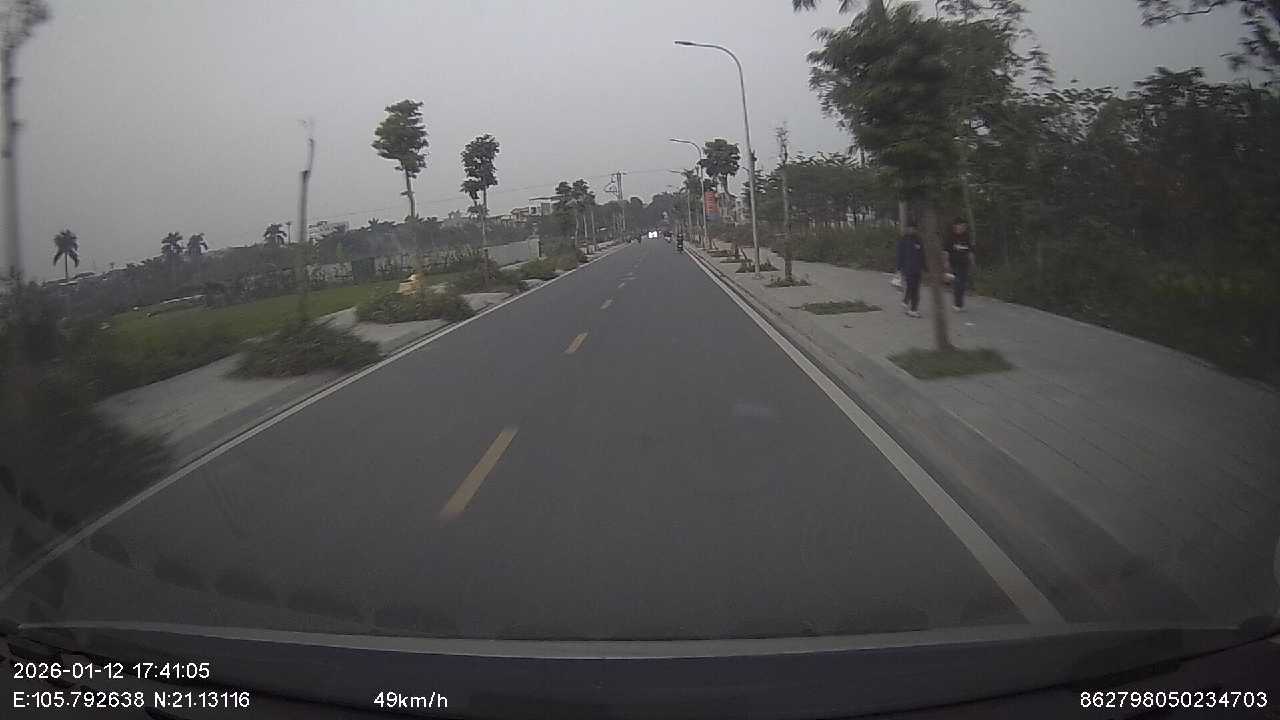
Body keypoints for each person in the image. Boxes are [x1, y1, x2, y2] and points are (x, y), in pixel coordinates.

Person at [944, 217, 974, 311]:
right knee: (958, 282)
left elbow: (970, 250)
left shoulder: (967, 236)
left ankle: (959, 303)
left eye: (964, 226)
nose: (962, 228)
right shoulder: (950, 237)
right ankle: (957, 304)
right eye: (961, 226)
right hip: (954, 263)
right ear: (956, 226)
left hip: (964, 263)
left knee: (962, 284)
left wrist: (972, 261)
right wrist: (946, 262)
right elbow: (946, 251)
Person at [902, 224, 926, 318]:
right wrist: (899, 268)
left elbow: (922, 254)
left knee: (916, 289)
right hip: (908, 268)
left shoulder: (919, 240)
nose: (912, 230)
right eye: (910, 228)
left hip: (917, 269)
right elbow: (900, 254)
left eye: (914, 228)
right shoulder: (904, 240)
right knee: (911, 287)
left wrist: (925, 267)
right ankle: (909, 303)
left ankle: (912, 308)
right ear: (907, 229)